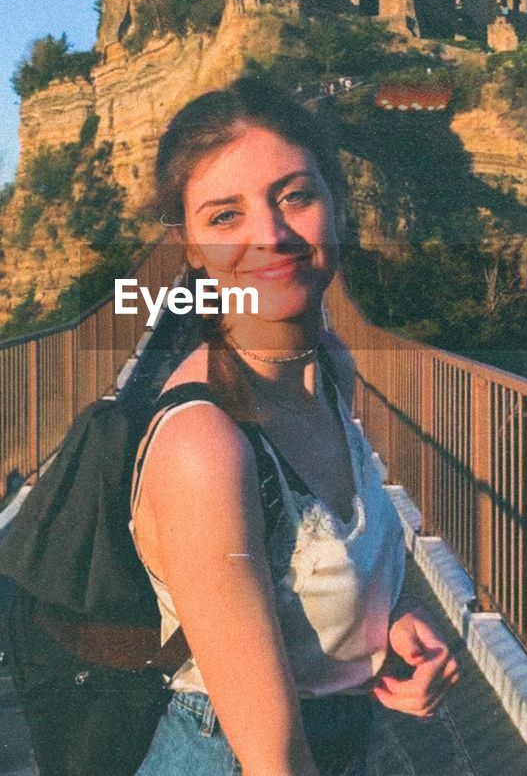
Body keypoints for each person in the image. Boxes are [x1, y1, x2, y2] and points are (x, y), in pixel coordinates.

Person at [130, 77, 460, 776]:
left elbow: (310, 584)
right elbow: (274, 761)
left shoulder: (330, 369)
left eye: (296, 196)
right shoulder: (205, 445)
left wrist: (381, 631)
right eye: (225, 217)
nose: (271, 236)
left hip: (345, 742)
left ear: (336, 206)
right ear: (190, 249)